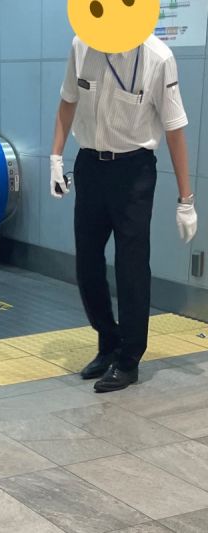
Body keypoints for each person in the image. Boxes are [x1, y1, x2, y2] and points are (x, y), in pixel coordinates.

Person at [51, 34, 198, 393]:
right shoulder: (81, 45)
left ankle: (129, 359)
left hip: (133, 171)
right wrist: (56, 156)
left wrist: (186, 199)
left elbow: (175, 128)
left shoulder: (158, 57)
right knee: (87, 262)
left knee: (131, 265)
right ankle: (108, 341)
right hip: (90, 164)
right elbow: (68, 100)